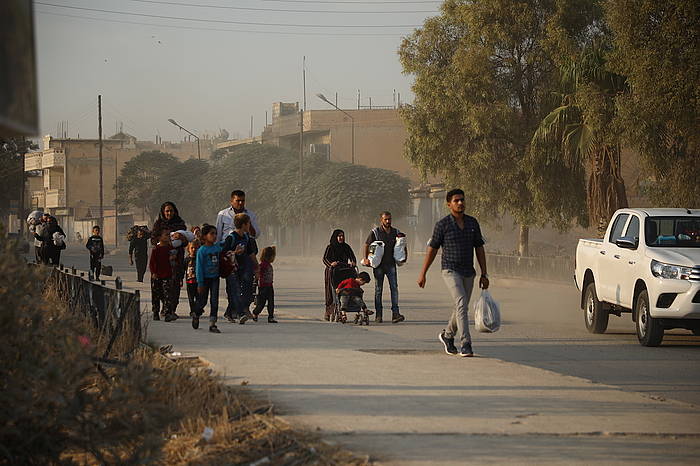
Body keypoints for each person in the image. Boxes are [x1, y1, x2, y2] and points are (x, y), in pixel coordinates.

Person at [417, 189, 489, 358]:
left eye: (462, 200)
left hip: (468, 272)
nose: (460, 203)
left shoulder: (472, 223)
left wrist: (484, 274)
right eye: (456, 200)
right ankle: (466, 343)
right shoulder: (442, 225)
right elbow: (432, 249)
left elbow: (479, 248)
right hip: (450, 270)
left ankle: (447, 335)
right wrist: (423, 273)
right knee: (462, 302)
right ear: (449, 204)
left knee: (460, 306)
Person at [361, 211, 406, 324]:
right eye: (385, 219)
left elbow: (402, 244)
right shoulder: (375, 232)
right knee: (378, 290)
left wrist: (404, 257)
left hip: (391, 264)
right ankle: (378, 315)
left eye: (389, 219)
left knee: (394, 289)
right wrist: (365, 258)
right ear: (381, 220)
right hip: (379, 266)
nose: (388, 221)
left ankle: (395, 314)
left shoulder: (396, 232)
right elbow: (366, 245)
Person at [151, 202, 188, 317]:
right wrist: (164, 242)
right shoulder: (158, 225)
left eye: (171, 211)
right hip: (162, 259)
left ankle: (171, 309)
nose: (169, 213)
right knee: (160, 286)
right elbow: (153, 240)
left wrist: (181, 237)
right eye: (167, 211)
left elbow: (186, 241)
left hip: (176, 259)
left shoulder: (180, 224)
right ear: (163, 212)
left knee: (175, 284)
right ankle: (163, 307)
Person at [222, 213, 257, 324]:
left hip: (243, 268)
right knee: (234, 291)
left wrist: (257, 266)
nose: (249, 226)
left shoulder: (246, 237)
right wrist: (235, 252)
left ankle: (230, 312)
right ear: (243, 225)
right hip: (232, 269)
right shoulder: (231, 238)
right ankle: (240, 313)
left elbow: (251, 253)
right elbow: (224, 253)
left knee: (245, 290)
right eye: (248, 224)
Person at [322, 229, 357, 320]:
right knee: (330, 291)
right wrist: (331, 264)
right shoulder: (330, 247)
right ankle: (329, 310)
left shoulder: (346, 247)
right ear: (335, 237)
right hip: (332, 271)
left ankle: (342, 308)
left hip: (344, 270)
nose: (341, 238)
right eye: (339, 236)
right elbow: (325, 259)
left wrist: (353, 262)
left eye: (342, 236)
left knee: (344, 289)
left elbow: (352, 256)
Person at [195, 224, 222, 333]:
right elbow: (199, 268)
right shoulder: (202, 250)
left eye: (215, 233)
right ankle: (196, 313)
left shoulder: (217, 248)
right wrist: (200, 283)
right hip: (205, 279)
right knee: (203, 301)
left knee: (214, 300)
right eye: (212, 234)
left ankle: (213, 323)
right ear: (205, 236)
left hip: (215, 278)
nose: (214, 236)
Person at [149, 228, 176, 322]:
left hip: (167, 275)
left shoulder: (170, 249)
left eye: (169, 235)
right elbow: (152, 263)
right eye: (166, 235)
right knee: (156, 295)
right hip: (157, 276)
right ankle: (155, 312)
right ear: (159, 237)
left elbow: (173, 261)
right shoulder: (156, 249)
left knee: (167, 295)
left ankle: (167, 313)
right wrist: (154, 273)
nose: (168, 237)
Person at [252, 246, 277, 323]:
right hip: (263, 287)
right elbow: (257, 275)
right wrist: (255, 285)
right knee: (261, 304)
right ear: (269, 256)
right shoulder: (262, 265)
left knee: (271, 302)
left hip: (269, 286)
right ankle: (255, 313)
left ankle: (271, 317)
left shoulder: (268, 265)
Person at [184, 239, 201, 323]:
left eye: (196, 248)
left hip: (198, 282)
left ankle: (197, 310)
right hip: (189, 282)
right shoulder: (187, 259)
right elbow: (183, 270)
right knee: (191, 298)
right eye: (192, 248)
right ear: (188, 249)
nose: (194, 250)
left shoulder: (200, 259)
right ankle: (192, 311)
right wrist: (180, 279)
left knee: (198, 297)